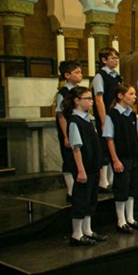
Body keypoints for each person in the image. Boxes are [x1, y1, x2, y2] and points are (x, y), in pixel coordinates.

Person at [64, 86, 106, 246]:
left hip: (93, 167)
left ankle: (87, 230)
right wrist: (81, 170)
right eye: (88, 99)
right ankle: (76, 234)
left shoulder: (87, 119)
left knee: (91, 200)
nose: (91, 102)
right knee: (81, 200)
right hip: (84, 168)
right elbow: (76, 148)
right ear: (77, 101)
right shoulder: (74, 121)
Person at [104, 84, 138, 234]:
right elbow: (109, 139)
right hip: (121, 157)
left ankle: (130, 218)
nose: (135, 97)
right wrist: (115, 159)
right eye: (131, 94)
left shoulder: (132, 114)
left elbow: (136, 136)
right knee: (121, 189)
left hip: (132, 156)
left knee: (132, 189)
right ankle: (121, 221)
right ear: (121, 96)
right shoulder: (113, 115)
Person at [91, 47, 121, 193]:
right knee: (104, 147)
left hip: (116, 115)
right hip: (106, 116)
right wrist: (103, 120)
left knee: (114, 147)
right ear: (103, 60)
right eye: (112, 58)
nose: (116, 60)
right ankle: (103, 181)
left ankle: (111, 179)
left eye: (116, 58)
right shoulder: (100, 76)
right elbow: (98, 99)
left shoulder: (116, 76)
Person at [55, 60, 82, 203]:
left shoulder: (79, 91)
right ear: (67, 75)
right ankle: (71, 190)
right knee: (69, 159)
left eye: (80, 72)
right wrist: (66, 136)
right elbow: (61, 115)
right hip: (67, 130)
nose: (80, 75)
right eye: (76, 72)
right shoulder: (63, 92)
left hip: (78, 127)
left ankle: (78, 188)